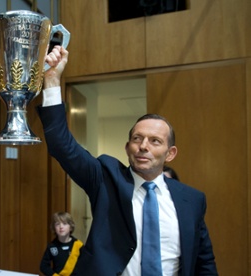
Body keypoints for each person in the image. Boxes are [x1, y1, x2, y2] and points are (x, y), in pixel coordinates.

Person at [37, 46, 218, 275]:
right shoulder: (106, 179)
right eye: (137, 138)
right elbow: (62, 146)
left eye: (155, 141)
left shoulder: (192, 200)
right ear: (127, 147)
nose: (143, 146)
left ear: (170, 153)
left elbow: (204, 263)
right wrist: (52, 79)